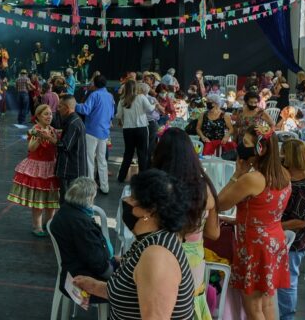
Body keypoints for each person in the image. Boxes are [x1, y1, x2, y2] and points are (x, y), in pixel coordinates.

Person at [73, 169, 195, 319]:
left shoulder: (156, 257)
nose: (126, 201)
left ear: (149, 211)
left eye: (132, 198)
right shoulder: (150, 240)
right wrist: (94, 286)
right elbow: (131, 290)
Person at [217, 122, 291, 318]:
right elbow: (264, 210)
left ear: (261, 148)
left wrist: (237, 174)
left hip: (254, 246)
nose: (242, 146)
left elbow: (220, 203)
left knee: (253, 307)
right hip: (275, 241)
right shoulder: (284, 174)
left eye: (247, 143)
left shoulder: (252, 179)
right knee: (267, 303)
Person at [152, 128, 219, 320]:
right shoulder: (204, 188)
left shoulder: (157, 187)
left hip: (161, 259)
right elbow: (214, 233)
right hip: (193, 264)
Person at [50, 178, 114, 302]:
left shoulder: (65, 210)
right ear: (89, 199)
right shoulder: (81, 224)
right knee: (131, 291)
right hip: (80, 277)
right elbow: (97, 263)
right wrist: (115, 275)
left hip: (72, 269)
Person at [278, 139, 305, 320]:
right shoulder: (295, 177)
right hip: (287, 239)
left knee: (288, 282)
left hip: (294, 242)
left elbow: (303, 221)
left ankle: (287, 316)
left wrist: (276, 225)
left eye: (283, 153)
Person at [8, 104, 60, 236]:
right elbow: (31, 148)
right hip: (38, 168)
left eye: (50, 114)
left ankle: (49, 224)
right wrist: (39, 137)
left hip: (51, 167)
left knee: (51, 200)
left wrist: (51, 137)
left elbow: (56, 144)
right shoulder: (35, 130)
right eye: (46, 114)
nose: (49, 116)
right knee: (38, 199)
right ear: (38, 116)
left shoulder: (52, 129)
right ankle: (37, 227)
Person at [75, 75, 114, 194]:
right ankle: (104, 186)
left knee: (89, 159)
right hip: (104, 131)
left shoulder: (94, 95)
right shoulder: (110, 96)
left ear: (95, 84)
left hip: (91, 131)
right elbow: (112, 114)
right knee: (102, 160)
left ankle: (91, 188)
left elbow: (85, 110)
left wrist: (74, 104)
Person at [115, 80, 153, 183]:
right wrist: (155, 104)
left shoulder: (122, 100)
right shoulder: (141, 97)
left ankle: (121, 177)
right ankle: (143, 178)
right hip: (141, 128)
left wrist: (121, 120)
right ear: (135, 88)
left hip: (127, 129)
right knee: (142, 154)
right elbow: (150, 109)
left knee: (128, 153)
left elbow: (118, 115)